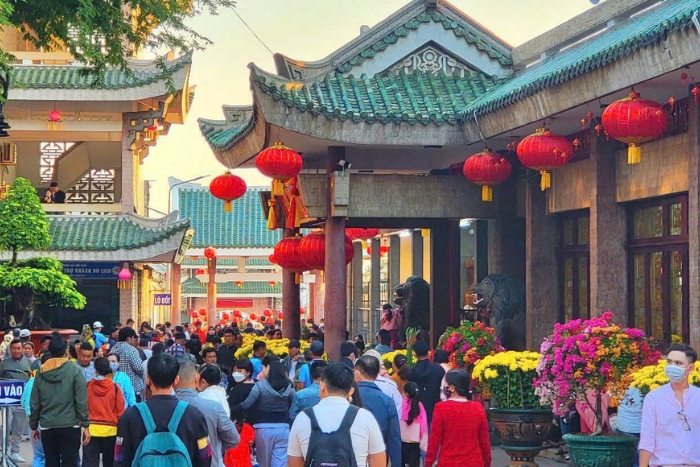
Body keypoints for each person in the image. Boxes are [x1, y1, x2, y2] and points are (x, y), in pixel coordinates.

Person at [114, 353, 212, 467]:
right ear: (176, 381)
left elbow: (119, 459)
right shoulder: (193, 415)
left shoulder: (130, 416)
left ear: (148, 380)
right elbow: (205, 457)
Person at [288, 362, 386, 467]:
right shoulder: (365, 418)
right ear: (351, 391)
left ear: (322, 385)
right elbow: (378, 463)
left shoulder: (303, 418)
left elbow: (294, 463)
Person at [30, 335, 90, 467]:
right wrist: (85, 424)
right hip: (70, 425)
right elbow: (81, 400)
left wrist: (33, 426)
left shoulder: (40, 372)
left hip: (47, 425)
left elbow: (35, 401)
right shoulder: (74, 370)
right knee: (70, 462)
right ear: (66, 350)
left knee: (51, 462)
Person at [639, 343, 700, 467]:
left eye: (678, 363)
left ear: (691, 368)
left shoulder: (697, 396)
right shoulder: (654, 398)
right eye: (669, 362)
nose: (672, 367)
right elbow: (647, 440)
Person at [175, 359, 239, 467]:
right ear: (197, 378)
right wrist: (215, 446)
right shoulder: (213, 406)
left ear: (174, 380)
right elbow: (233, 438)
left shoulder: (160, 408)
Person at [232, 356, 295, 467]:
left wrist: (231, 411)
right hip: (283, 427)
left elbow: (247, 404)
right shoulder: (289, 386)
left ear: (268, 369)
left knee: (264, 462)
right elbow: (292, 404)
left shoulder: (260, 386)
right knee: (280, 461)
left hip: (263, 427)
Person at [425, 369, 490, 467]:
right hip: (474, 462)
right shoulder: (478, 409)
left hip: (448, 462)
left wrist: (428, 463)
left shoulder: (441, 408)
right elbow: (484, 442)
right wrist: (487, 463)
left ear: (452, 388)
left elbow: (434, 441)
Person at [354, 355, 401, 467]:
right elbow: (394, 438)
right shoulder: (387, 401)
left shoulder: (349, 396)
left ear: (357, 373)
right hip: (379, 457)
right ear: (376, 374)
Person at [83, 357, 125, 467]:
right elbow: (121, 412)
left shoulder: (87, 387)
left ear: (95, 369)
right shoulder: (115, 388)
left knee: (90, 463)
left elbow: (82, 408)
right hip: (111, 431)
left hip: (90, 430)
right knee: (110, 463)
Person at [1, 339, 32, 463]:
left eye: (19, 348)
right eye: (14, 348)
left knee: (18, 428)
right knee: (5, 425)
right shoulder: (4, 363)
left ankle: (14, 452)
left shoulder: (29, 363)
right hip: (7, 402)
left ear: (22, 349)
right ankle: (4, 450)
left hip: (22, 401)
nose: (16, 351)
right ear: (10, 349)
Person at [407, 340, 445, 424]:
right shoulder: (438, 370)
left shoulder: (411, 373)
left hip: (417, 410)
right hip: (434, 409)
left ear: (415, 354)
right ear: (428, 353)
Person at [22, 353, 49, 467]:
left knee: (38, 455)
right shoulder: (51, 381)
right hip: (47, 421)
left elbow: (23, 401)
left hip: (32, 421)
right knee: (51, 454)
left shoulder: (31, 381)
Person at [109, 327, 145, 402]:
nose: (134, 340)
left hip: (116, 386)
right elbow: (139, 368)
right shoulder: (131, 350)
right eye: (133, 338)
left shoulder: (113, 349)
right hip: (133, 387)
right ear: (129, 338)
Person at [400, 382, 428, 467]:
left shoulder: (400, 403)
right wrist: (424, 445)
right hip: (415, 443)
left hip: (401, 441)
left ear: (405, 393)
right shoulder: (419, 406)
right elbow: (424, 426)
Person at [228, 359, 257, 425]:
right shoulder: (259, 384)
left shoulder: (236, 389)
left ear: (248, 372)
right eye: (234, 371)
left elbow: (230, 408)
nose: (236, 373)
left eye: (240, 371)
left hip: (243, 424)